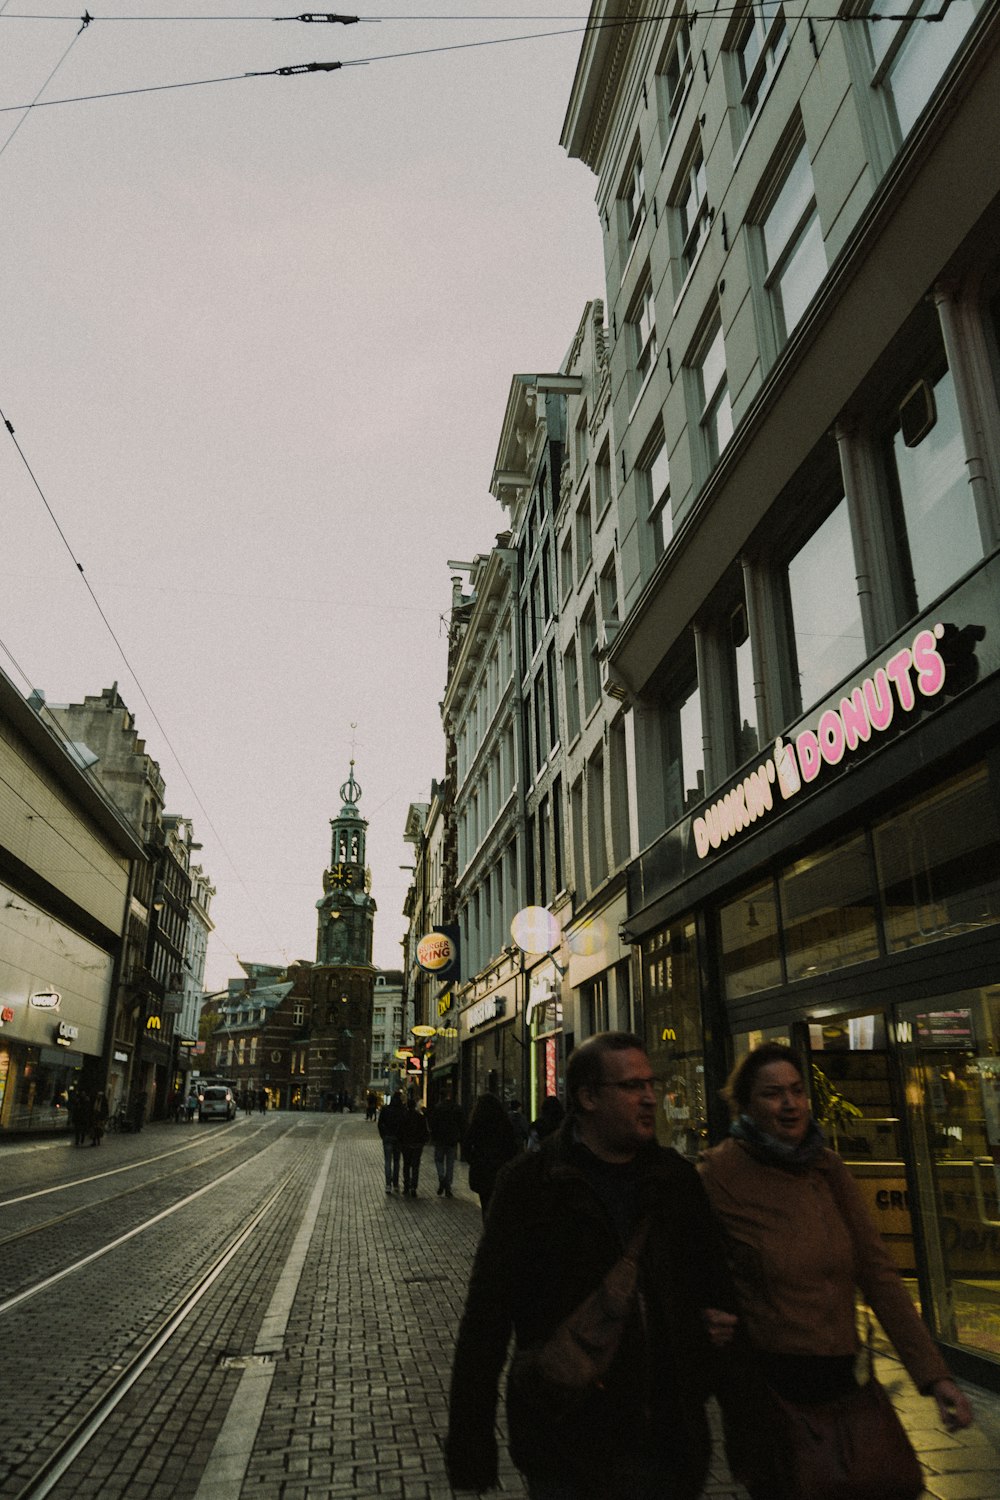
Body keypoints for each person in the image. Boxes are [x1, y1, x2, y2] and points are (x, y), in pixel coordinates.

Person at [446, 1033, 735, 1499]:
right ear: (587, 1097)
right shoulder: (530, 1186)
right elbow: (486, 1320)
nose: (649, 1097)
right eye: (631, 1086)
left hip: (669, 1443)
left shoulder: (676, 1181)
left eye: (650, 1083)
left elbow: (715, 1292)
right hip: (568, 1445)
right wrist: (471, 1441)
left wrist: (720, 1385)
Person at [699, 1042, 973, 1499]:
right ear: (746, 1104)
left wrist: (934, 1375)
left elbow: (878, 1272)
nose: (789, 1104)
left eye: (797, 1091)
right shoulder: (718, 1175)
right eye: (772, 1094)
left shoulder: (826, 1167)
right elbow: (694, 1272)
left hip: (844, 1380)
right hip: (769, 1389)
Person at [463, 1092, 519, 1217]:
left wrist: (474, 1160)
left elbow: (466, 1145)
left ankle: (488, 1228)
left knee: (486, 1203)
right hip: (500, 1168)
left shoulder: (477, 1123)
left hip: (482, 1170)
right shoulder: (504, 1123)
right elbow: (513, 1146)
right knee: (500, 1204)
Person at [429, 1085, 465, 1197]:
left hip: (440, 1139)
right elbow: (461, 1124)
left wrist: (433, 1136)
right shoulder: (456, 1108)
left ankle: (442, 1178)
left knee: (439, 1160)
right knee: (450, 1164)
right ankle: (448, 1186)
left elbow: (433, 1124)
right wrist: (460, 1137)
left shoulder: (437, 1108)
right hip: (452, 1140)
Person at [398, 1095, 430, 1196]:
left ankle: (406, 1186)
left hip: (406, 1145)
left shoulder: (403, 1117)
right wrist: (423, 1141)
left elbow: (400, 1131)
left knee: (406, 1165)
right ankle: (413, 1187)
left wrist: (401, 1142)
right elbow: (425, 1131)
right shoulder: (420, 1117)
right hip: (417, 1145)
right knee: (415, 1166)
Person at [378, 1090, 405, 1194]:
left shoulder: (386, 1109)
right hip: (398, 1138)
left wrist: (383, 1135)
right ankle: (396, 1184)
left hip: (387, 1137)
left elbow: (380, 1123)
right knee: (397, 1161)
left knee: (388, 1161)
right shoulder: (402, 1110)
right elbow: (404, 1124)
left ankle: (388, 1184)